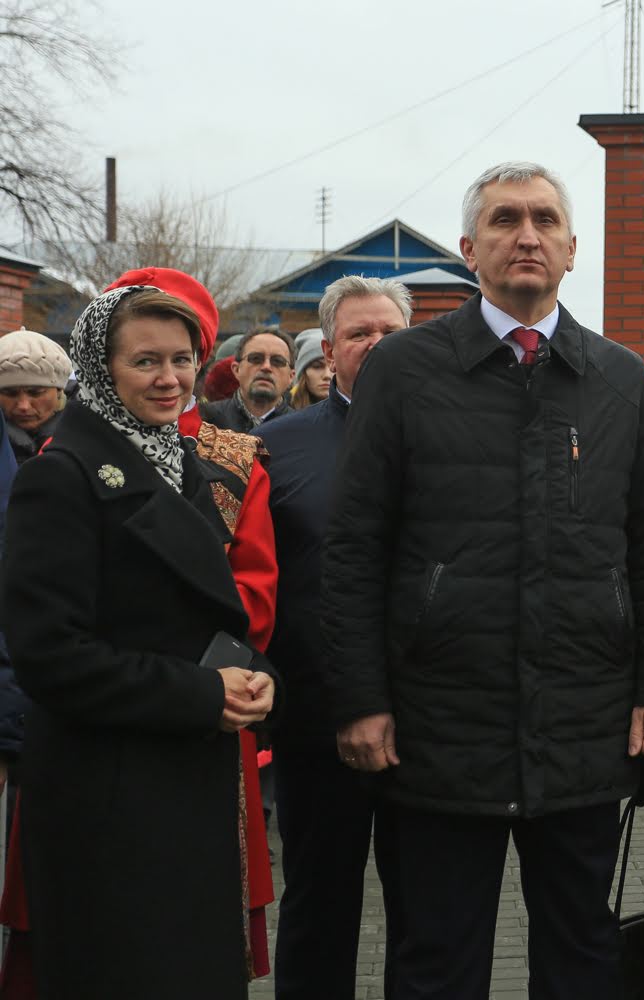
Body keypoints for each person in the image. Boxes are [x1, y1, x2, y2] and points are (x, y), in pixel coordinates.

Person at [321, 160, 644, 1000]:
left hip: (584, 723)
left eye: (544, 220)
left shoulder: (621, 380)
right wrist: (360, 700)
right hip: (439, 727)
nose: (527, 235)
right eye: (504, 219)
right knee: (437, 961)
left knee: (581, 956)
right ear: (468, 249)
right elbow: (355, 547)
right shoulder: (404, 370)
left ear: (572, 249)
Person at [1, 284, 277, 999]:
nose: (169, 379)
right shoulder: (60, 477)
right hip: (107, 797)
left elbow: (207, 613)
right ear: (100, 369)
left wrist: (253, 674)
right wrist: (202, 694)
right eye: (145, 361)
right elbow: (50, 657)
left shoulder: (177, 462)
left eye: (182, 360)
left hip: (184, 782)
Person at [256, 276, 412, 1000]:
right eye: (358, 334)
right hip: (317, 723)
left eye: (390, 332)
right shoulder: (272, 448)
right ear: (328, 349)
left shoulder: (455, 437)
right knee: (319, 904)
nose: (376, 345)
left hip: (432, 721)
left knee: (429, 912)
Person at [200, 327, 294, 431]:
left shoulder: (302, 429)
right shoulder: (204, 421)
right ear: (236, 370)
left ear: (291, 376)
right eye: (255, 358)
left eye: (278, 361)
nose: (266, 367)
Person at [0, 331, 71, 463]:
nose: (24, 406)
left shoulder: (91, 435)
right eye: (10, 393)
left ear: (59, 391)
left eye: (36, 393)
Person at [289, 329, 331, 409]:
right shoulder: (281, 412)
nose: (327, 375)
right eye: (317, 366)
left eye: (334, 368)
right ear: (302, 373)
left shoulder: (354, 413)